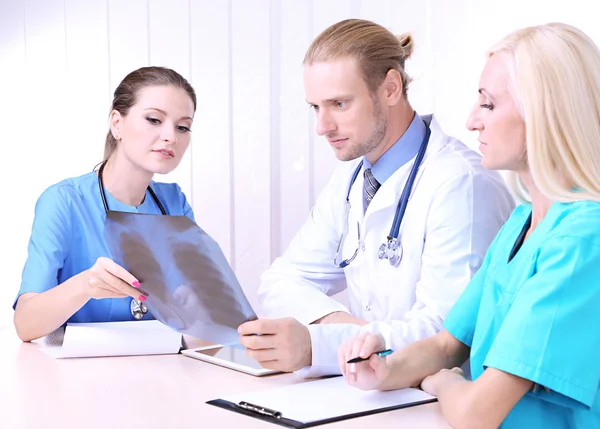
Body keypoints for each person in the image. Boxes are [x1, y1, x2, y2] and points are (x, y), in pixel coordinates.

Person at [339, 22, 600, 428]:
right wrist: (385, 365)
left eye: (489, 104)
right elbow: (448, 345)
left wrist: (445, 383)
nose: (471, 120)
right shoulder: (523, 221)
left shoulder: (582, 239)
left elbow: (477, 414)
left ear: (547, 114)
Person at [238, 19, 515, 376]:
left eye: (339, 103)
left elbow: (448, 336)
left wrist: (320, 344)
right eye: (315, 107)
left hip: (436, 403)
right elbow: (280, 280)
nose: (322, 127)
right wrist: (348, 329)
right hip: (370, 390)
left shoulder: (462, 184)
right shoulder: (351, 178)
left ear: (390, 88)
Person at [13, 66, 197, 342]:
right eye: (154, 119)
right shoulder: (64, 201)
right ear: (116, 123)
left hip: (160, 368)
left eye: (182, 126)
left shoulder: (175, 204)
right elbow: (25, 325)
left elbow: (202, 318)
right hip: (76, 375)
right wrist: (85, 285)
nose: (171, 136)